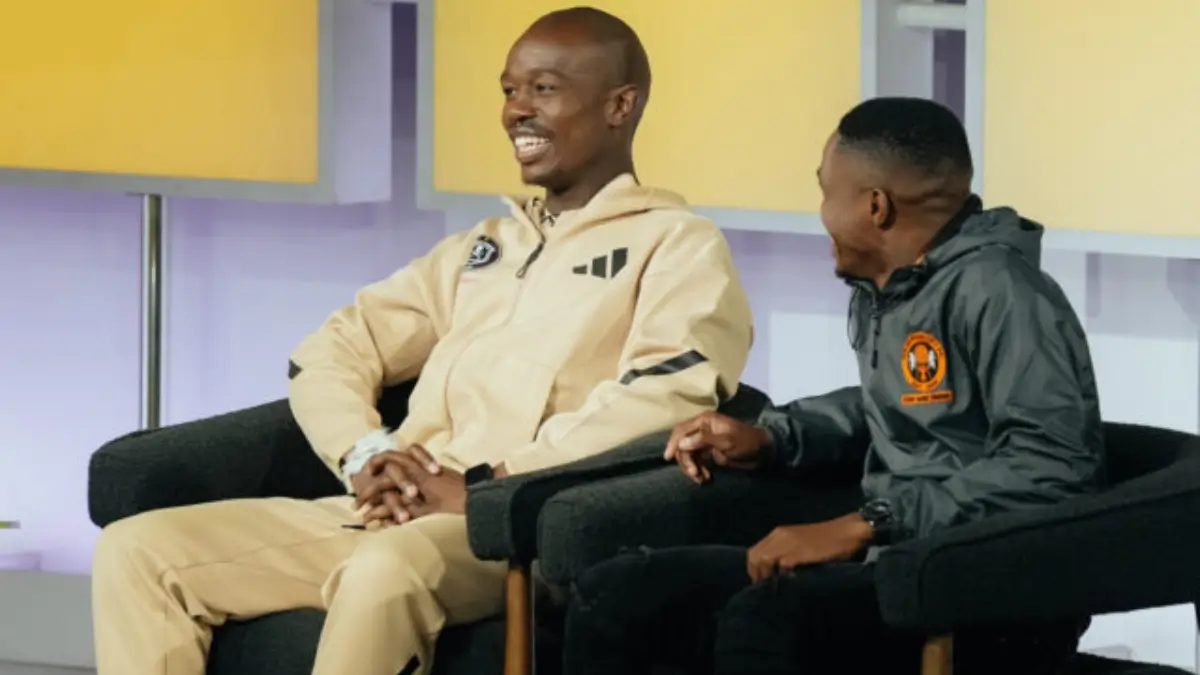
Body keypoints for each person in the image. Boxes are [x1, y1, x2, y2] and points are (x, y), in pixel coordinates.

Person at [91, 8, 754, 675]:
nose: (516, 111)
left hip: (522, 525)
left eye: (543, 89)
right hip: (398, 511)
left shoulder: (677, 243)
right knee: (140, 549)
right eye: (509, 91)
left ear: (619, 105)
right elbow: (332, 349)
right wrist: (365, 453)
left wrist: (487, 488)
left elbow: (666, 397)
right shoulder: (484, 247)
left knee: (385, 567)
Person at [563, 97, 1103, 675]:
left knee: (767, 619)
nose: (819, 212)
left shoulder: (1003, 292)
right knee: (620, 595)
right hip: (894, 558)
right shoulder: (897, 287)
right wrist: (773, 437)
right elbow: (892, 408)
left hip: (985, 587)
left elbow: (1052, 465)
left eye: (825, 192)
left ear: (875, 206)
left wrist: (868, 523)